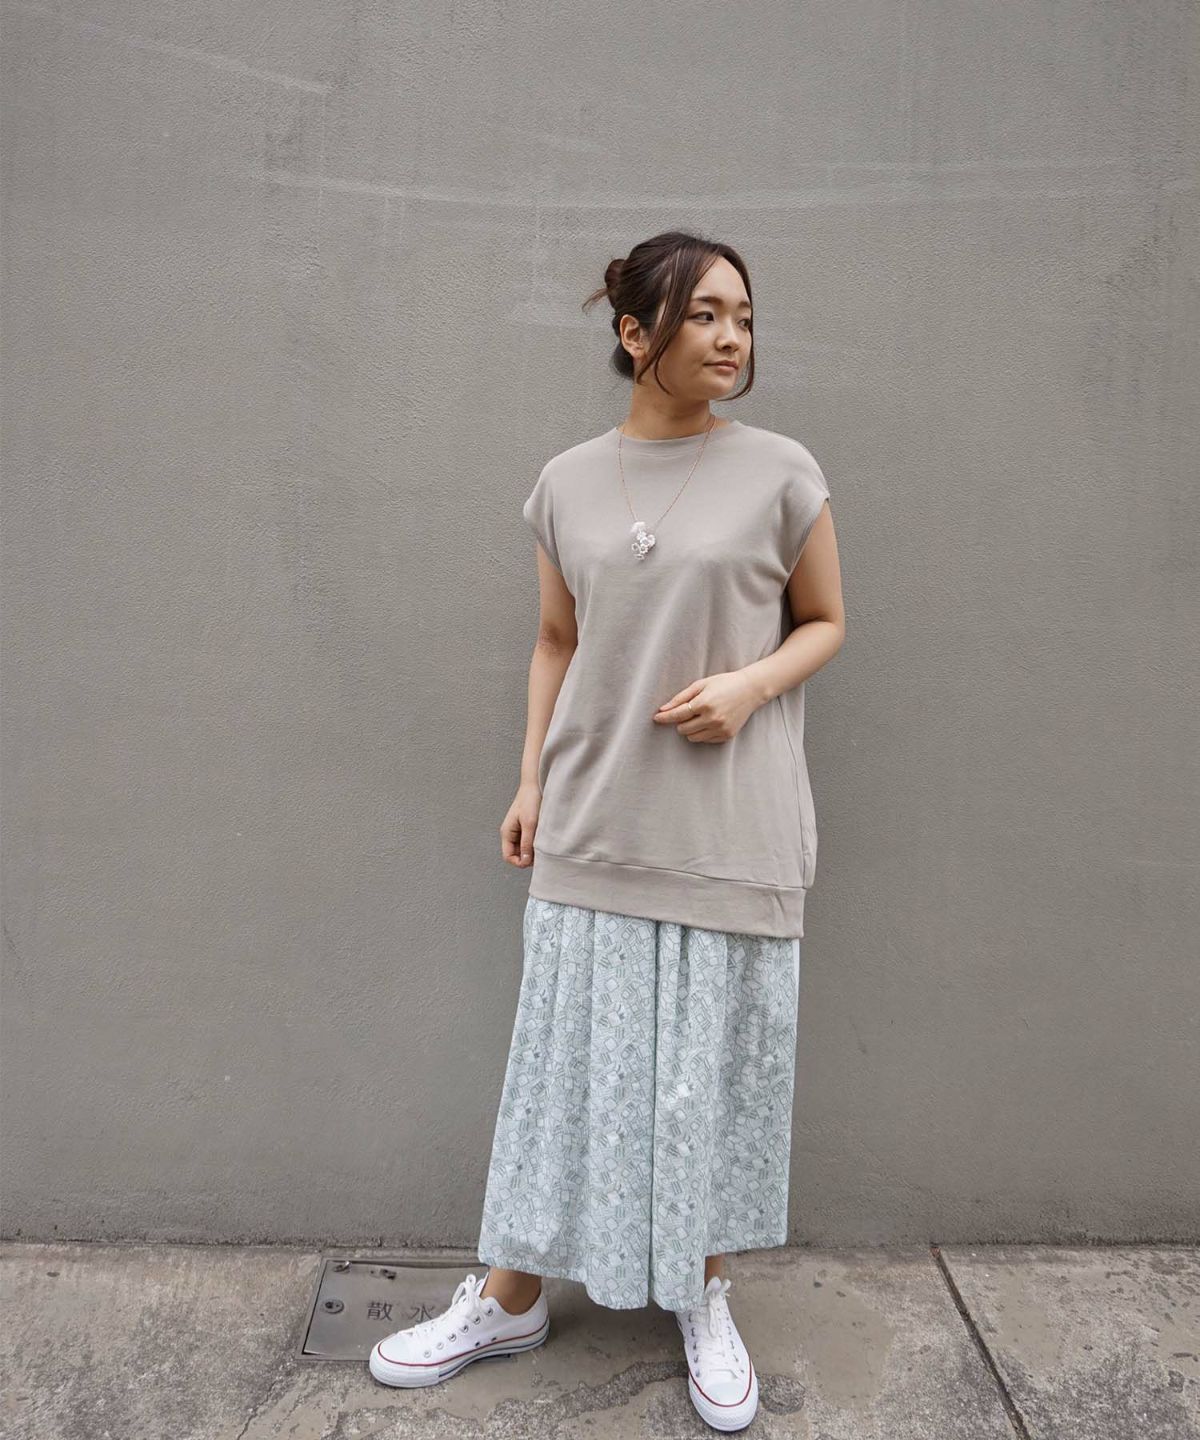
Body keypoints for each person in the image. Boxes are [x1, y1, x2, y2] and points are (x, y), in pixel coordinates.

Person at [370, 230, 845, 1433]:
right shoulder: (567, 483)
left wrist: (748, 687)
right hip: (594, 816)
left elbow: (826, 622)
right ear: (636, 334)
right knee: (562, 1071)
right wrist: (529, 780)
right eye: (706, 315)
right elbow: (556, 641)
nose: (733, 337)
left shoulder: (783, 472)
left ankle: (701, 1295)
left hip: (731, 828)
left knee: (706, 1081)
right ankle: (510, 1297)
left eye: (744, 315)